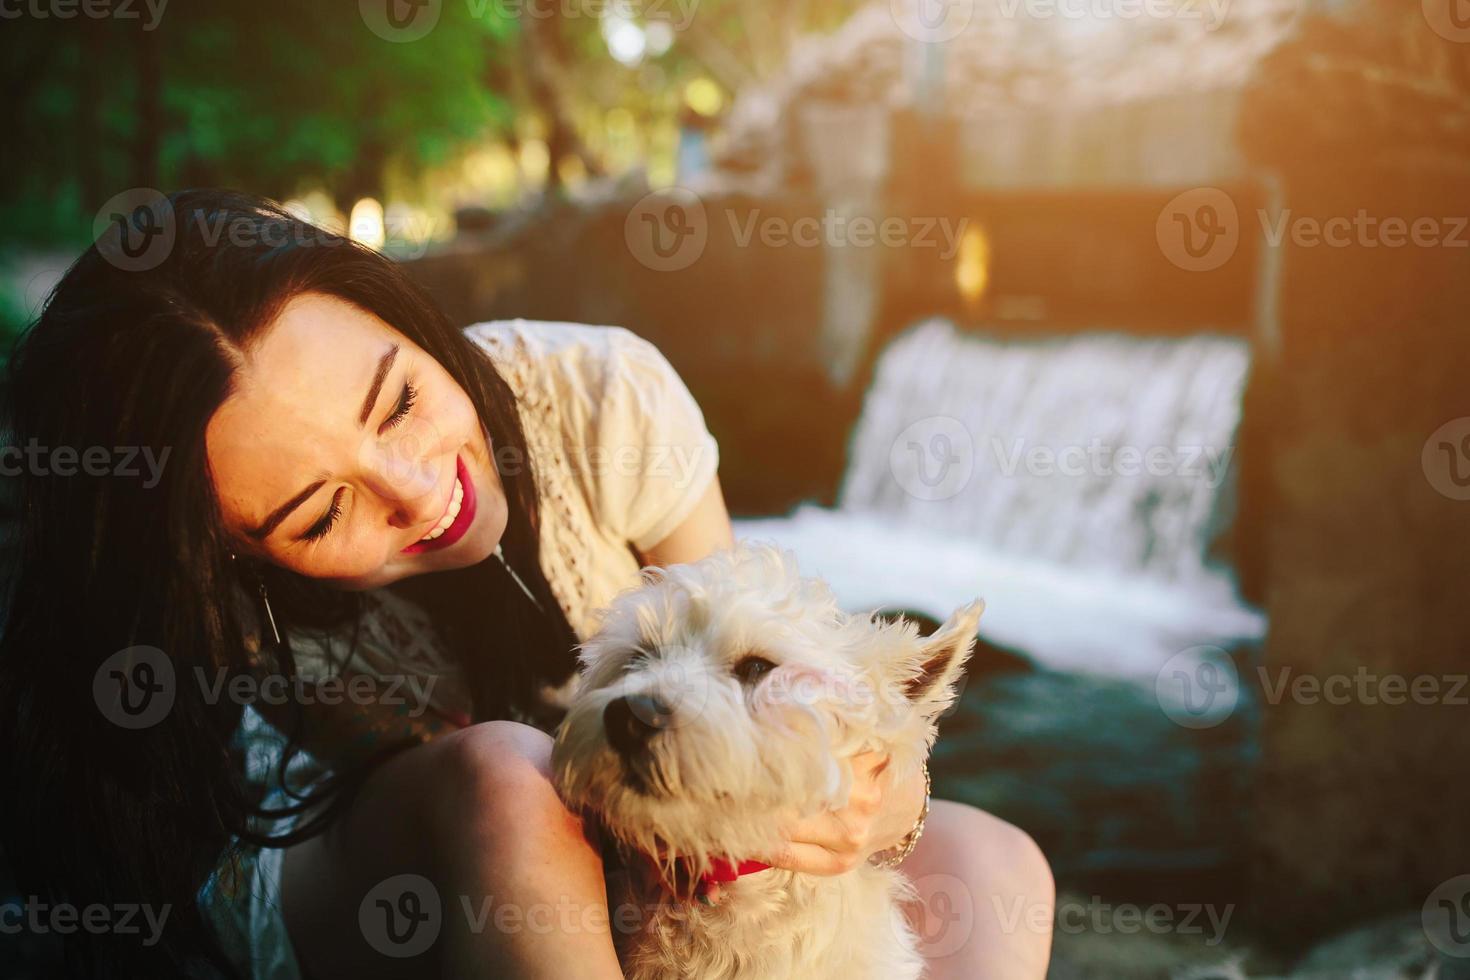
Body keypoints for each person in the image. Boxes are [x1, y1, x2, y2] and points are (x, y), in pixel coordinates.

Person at [0, 189, 1053, 979]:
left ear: (401, 309)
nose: (421, 492)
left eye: (400, 398)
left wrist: (887, 804)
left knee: (989, 859)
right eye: (323, 512)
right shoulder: (194, 610)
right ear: (219, 553)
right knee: (514, 777)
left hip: (612, 828)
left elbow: (749, 674)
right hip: (351, 864)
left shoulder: (604, 398)